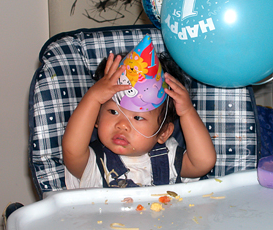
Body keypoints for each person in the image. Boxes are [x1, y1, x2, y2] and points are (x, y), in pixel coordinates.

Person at [62, 35, 216, 188]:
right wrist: (93, 98)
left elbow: (203, 162)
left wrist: (187, 112)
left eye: (137, 117)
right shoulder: (93, 163)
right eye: (113, 112)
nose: (122, 125)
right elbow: (71, 151)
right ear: (96, 118)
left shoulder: (169, 158)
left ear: (163, 132)